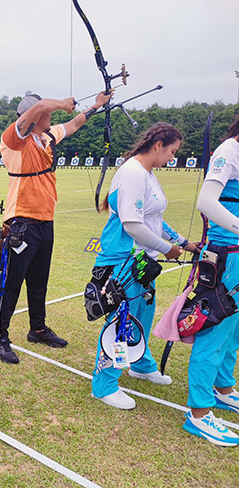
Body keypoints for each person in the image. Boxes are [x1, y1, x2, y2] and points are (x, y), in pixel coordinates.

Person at [0, 91, 111, 364]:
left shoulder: (46, 136)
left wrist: (96, 105)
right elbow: (42, 107)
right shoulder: (14, 140)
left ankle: (38, 328)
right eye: (47, 114)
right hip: (21, 221)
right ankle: (0, 338)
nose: (51, 116)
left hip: (45, 220)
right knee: (10, 284)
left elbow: (75, 123)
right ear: (33, 116)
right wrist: (62, 103)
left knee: (39, 281)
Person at [90, 122, 196, 409]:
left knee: (142, 315)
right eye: (172, 151)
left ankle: (140, 363)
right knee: (121, 320)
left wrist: (183, 243)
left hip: (142, 262)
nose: (172, 158)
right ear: (158, 145)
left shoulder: (147, 173)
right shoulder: (133, 173)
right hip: (124, 259)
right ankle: (104, 383)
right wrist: (168, 248)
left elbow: (154, 219)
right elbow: (133, 225)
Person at [185, 115, 239, 446]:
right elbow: (206, 202)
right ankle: (200, 413)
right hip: (227, 255)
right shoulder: (230, 150)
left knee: (233, 330)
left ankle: (223, 389)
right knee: (215, 327)